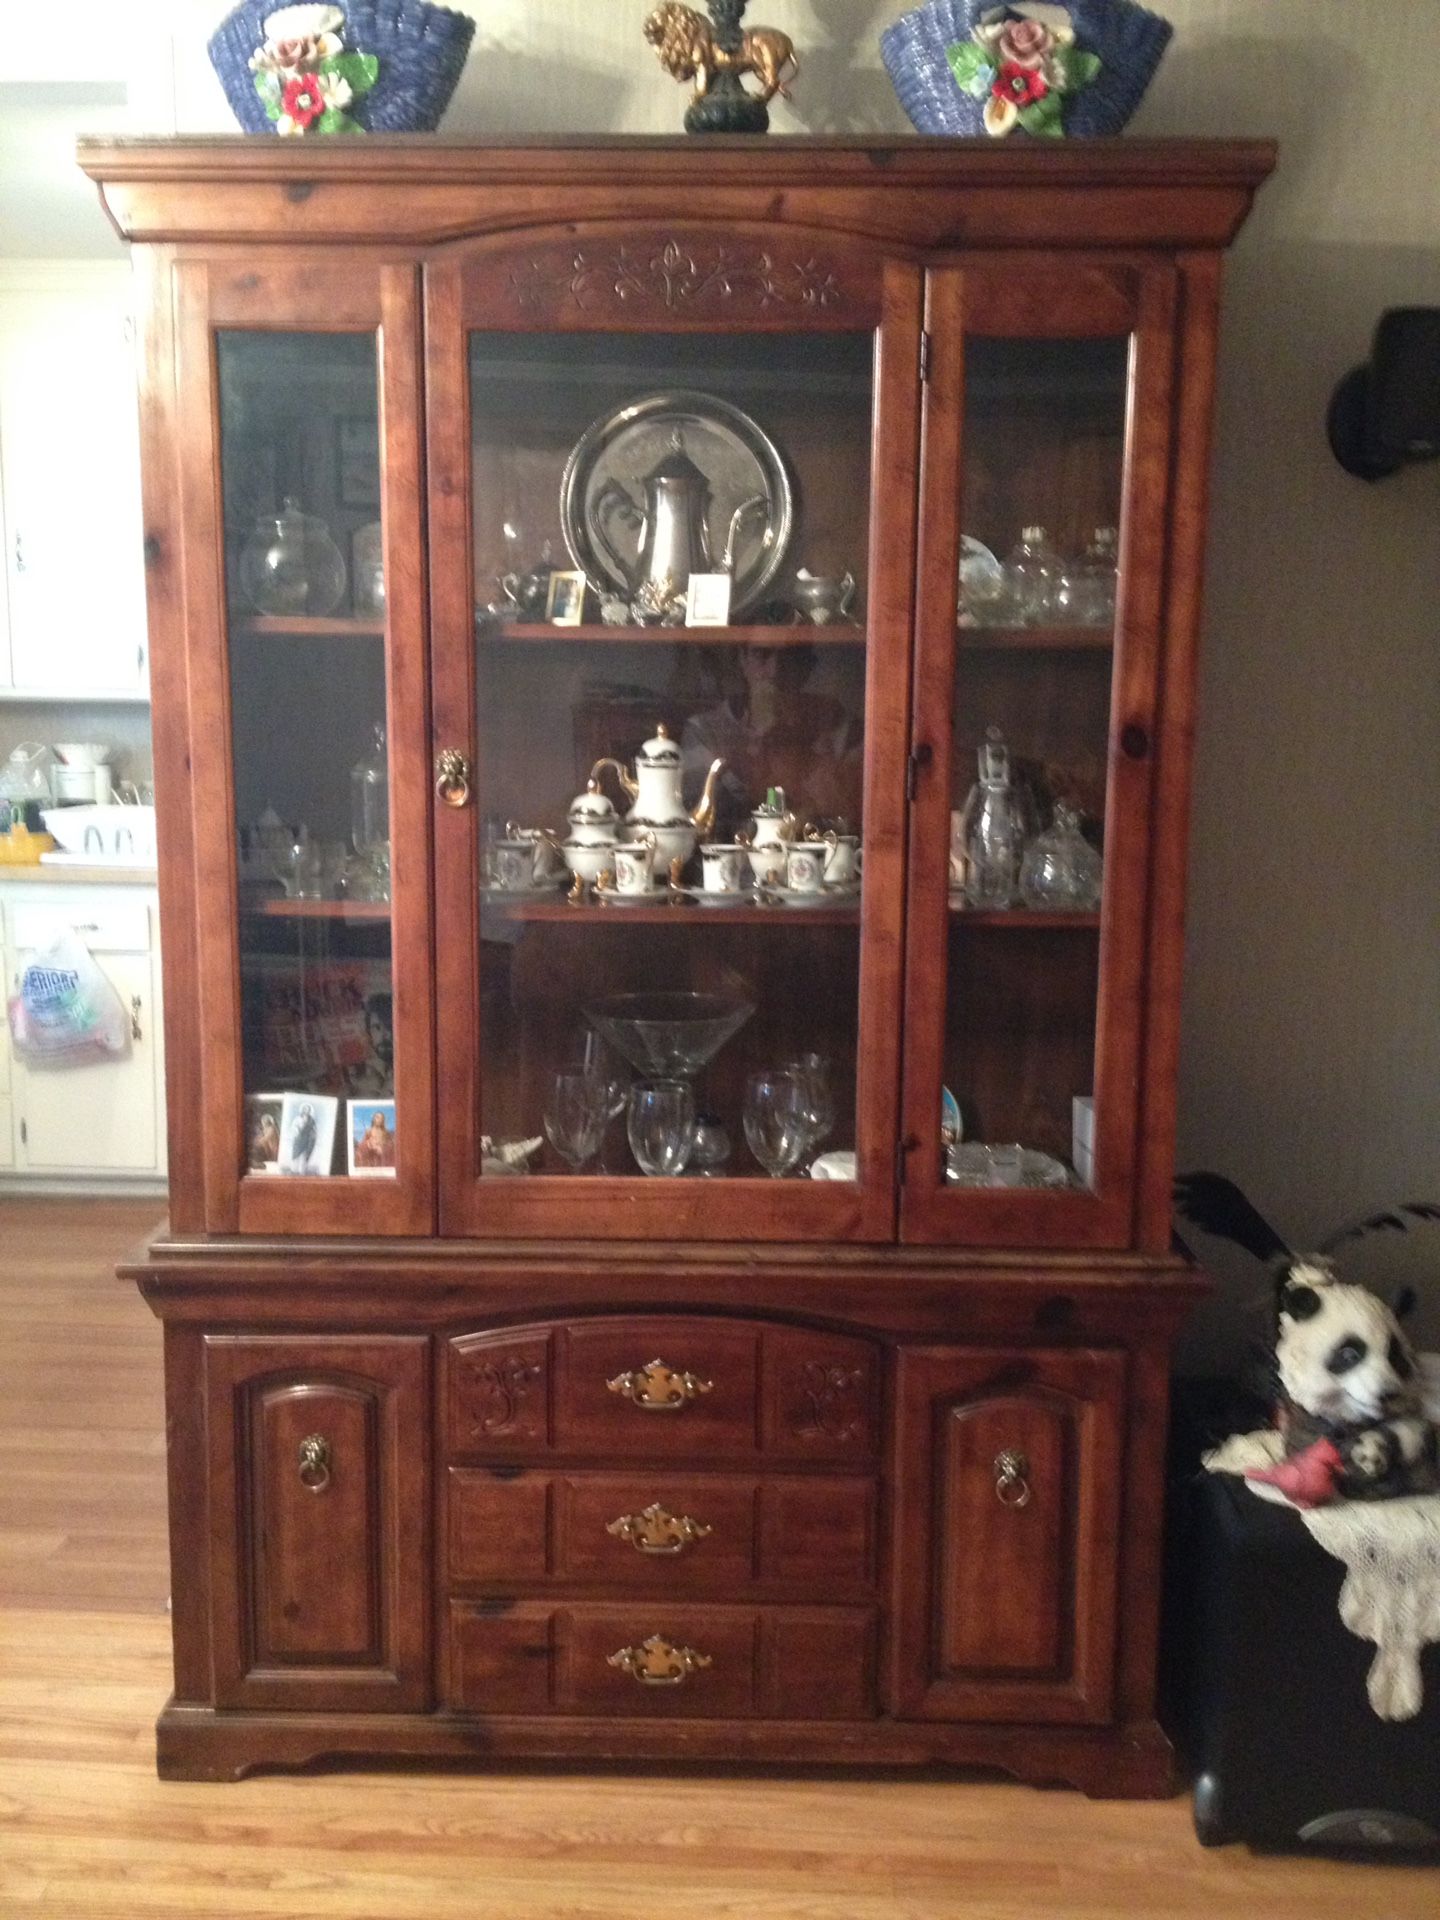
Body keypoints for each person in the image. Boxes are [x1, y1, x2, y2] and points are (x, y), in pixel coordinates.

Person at [679, 642, 863, 837]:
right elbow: (700, 824)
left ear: (805, 667)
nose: (775, 671)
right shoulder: (704, 730)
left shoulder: (836, 723)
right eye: (762, 654)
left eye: (788, 657)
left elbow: (850, 816)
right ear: (742, 659)